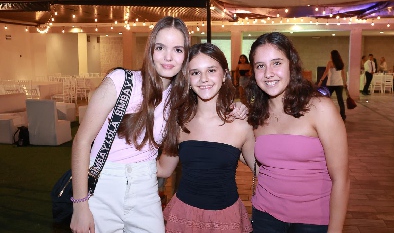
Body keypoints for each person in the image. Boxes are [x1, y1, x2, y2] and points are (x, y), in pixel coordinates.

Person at [70, 16, 248, 233]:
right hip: (106, 183)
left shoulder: (179, 100)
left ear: (185, 57)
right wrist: (80, 204)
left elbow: (205, 115)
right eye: (161, 47)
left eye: (178, 50)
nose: (168, 57)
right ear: (150, 50)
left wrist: (236, 108)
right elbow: (81, 141)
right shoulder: (121, 82)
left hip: (146, 186)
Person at [245, 32, 349, 233]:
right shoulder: (257, 114)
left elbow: (342, 179)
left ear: (291, 65)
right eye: (260, 66)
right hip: (265, 216)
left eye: (276, 63)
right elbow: (255, 160)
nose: (268, 73)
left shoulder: (320, 109)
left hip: (313, 221)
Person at [158, 43, 255, 232]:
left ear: (225, 74)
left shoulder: (241, 124)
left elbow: (263, 171)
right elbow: (163, 169)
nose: (203, 79)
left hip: (226, 217)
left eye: (211, 70)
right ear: (187, 78)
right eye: (195, 72)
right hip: (184, 215)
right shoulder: (179, 122)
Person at [318, 50, 347, 121]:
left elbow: (325, 72)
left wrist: (321, 81)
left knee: (327, 99)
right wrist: (344, 82)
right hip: (339, 83)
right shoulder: (341, 63)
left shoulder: (330, 63)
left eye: (330, 54)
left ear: (332, 55)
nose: (329, 56)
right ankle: (343, 116)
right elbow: (343, 74)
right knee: (340, 100)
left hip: (331, 83)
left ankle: (325, 114)